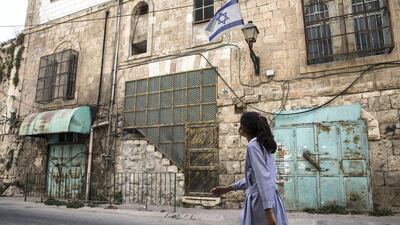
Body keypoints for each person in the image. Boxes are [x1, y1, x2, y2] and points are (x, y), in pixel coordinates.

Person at [211, 112, 288, 225]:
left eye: (240, 125)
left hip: (261, 204)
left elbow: (263, 179)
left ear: (243, 128)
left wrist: (268, 212)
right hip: (269, 200)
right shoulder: (262, 145)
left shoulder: (253, 146)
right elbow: (254, 180)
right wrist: (228, 188)